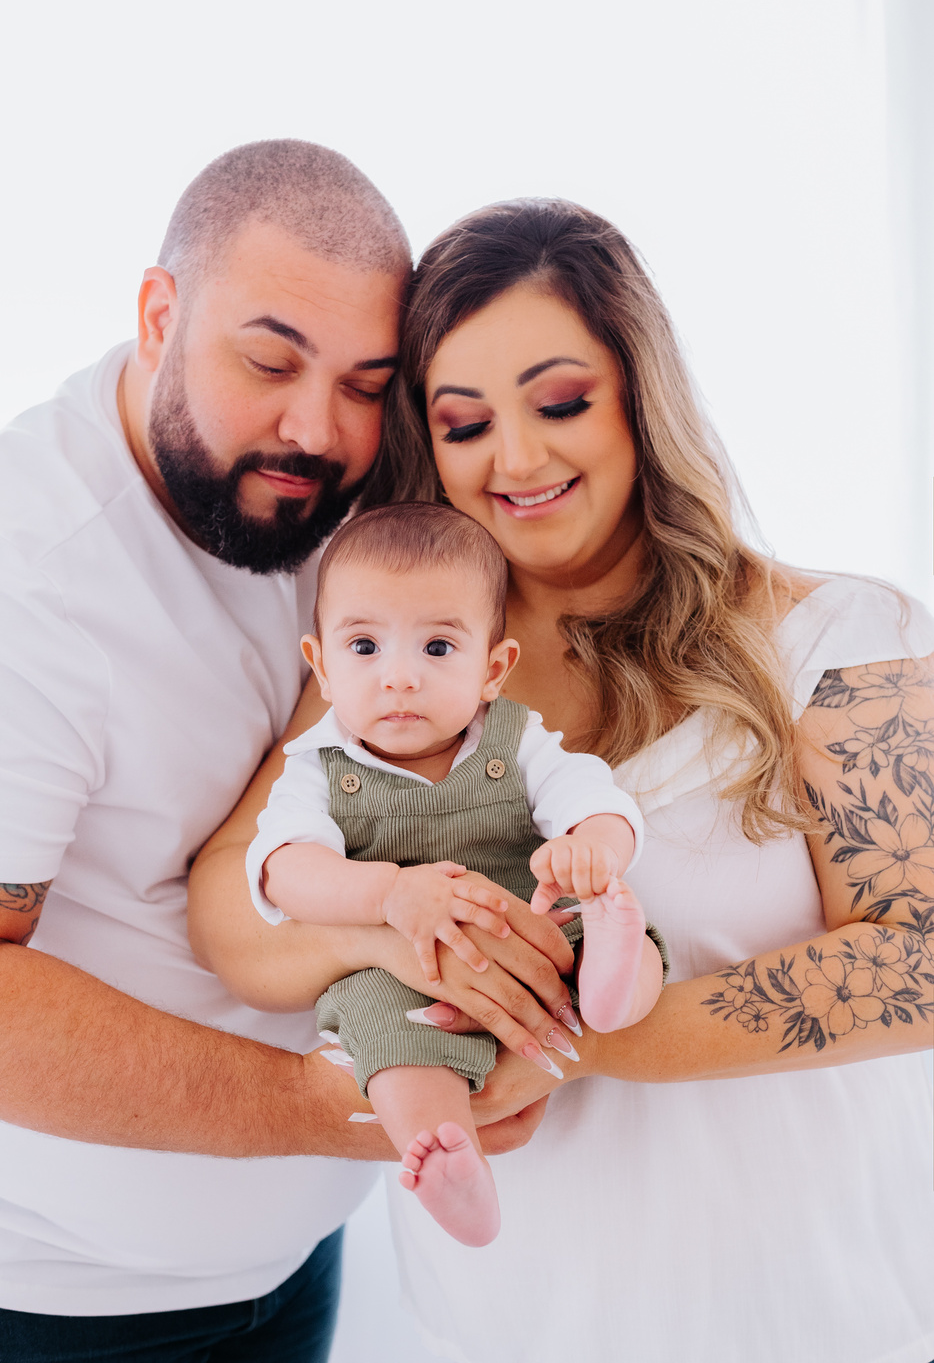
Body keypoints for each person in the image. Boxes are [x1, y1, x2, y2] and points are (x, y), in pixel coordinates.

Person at [190, 197, 934, 1363]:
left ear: (638, 396)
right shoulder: (404, 667)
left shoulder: (847, 636)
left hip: (801, 1312)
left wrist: (557, 1035)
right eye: (465, 422)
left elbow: (918, 959)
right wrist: (401, 934)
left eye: (560, 402)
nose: (518, 459)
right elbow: (232, 902)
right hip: (501, 1322)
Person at [0, 140, 544, 1361]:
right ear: (159, 316)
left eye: (364, 382)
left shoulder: (336, 493)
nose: (317, 430)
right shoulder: (32, 582)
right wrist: (316, 1106)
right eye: (269, 361)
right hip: (68, 1309)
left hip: (292, 1266)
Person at [244, 501, 665, 1246]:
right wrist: (387, 892)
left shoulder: (517, 738)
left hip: (535, 927)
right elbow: (283, 869)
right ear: (322, 666)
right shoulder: (317, 770)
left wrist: (591, 849)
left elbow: (595, 797)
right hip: (404, 967)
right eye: (365, 646)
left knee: (633, 946)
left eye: (437, 648)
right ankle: (447, 1154)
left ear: (492, 669)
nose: (400, 678)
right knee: (385, 1041)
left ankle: (611, 990)